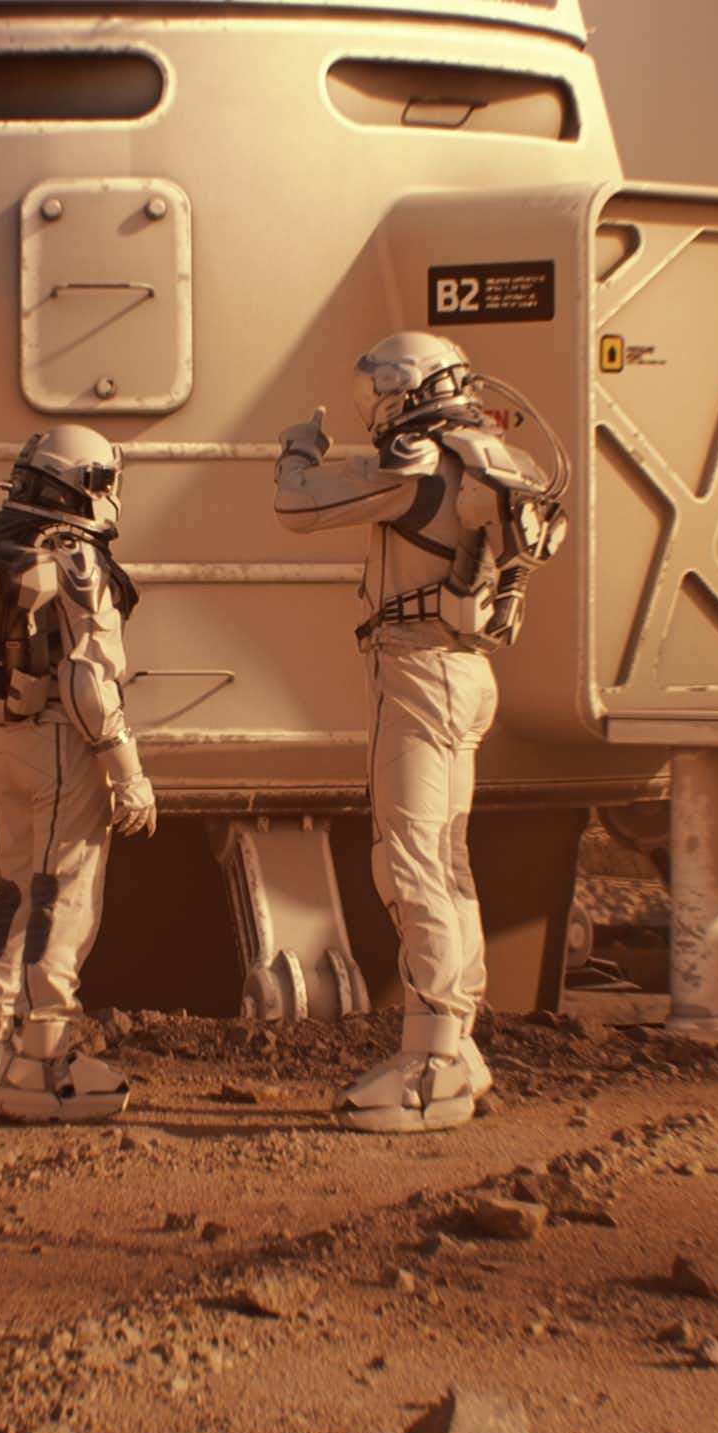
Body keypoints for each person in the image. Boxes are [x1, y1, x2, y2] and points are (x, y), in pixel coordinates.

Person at [272, 331, 566, 1133]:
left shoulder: (426, 462)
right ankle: (457, 1044)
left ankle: (432, 1059)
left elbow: (296, 507)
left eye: (380, 391)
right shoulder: (499, 458)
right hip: (468, 671)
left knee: (408, 862)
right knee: (447, 857)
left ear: (406, 390)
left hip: (419, 670)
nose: (376, 407)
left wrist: (299, 450)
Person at [0, 425, 157, 1122]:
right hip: (66, 747)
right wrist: (126, 771)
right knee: (62, 902)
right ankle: (41, 1063)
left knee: (10, 893)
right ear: (86, 485)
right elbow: (91, 678)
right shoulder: (77, 559)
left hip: (9, 744)